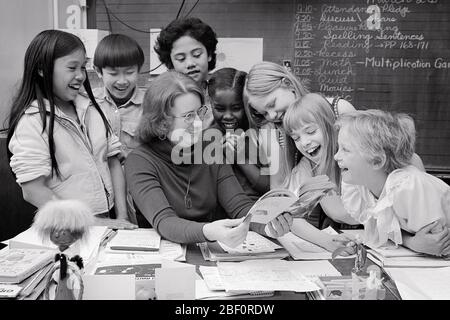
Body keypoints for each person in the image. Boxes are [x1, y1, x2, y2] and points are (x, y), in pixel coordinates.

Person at [125, 71, 292, 246]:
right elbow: (165, 222)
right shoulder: (140, 161)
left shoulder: (209, 148)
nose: (198, 122)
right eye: (189, 116)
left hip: (207, 253)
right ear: (160, 121)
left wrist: (267, 223)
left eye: (200, 112)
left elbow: (239, 206)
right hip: (163, 257)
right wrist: (209, 231)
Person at [7, 30, 135, 229]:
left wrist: (122, 217)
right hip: (68, 229)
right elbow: (32, 190)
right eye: (72, 68)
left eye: (83, 67)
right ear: (42, 69)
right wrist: (96, 223)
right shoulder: (32, 122)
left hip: (109, 220)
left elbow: (113, 161)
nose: (80, 76)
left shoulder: (92, 108)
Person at [334, 109, 450, 256]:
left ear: (377, 161)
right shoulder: (362, 186)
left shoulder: (407, 187)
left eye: (346, 149)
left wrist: (416, 244)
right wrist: (412, 243)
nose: (336, 156)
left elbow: (438, 243)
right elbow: (390, 233)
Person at [243, 61, 356, 190]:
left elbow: (364, 163)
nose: (272, 115)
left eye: (272, 104)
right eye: (264, 113)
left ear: (288, 84)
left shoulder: (338, 110)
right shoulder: (271, 132)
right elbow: (279, 189)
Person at [282, 93, 358, 254]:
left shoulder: (361, 156)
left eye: (310, 131)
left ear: (332, 126)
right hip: (346, 241)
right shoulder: (307, 167)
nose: (304, 142)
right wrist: (327, 242)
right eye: (296, 138)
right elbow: (292, 217)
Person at [207, 67, 269, 201]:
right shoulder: (208, 137)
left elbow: (270, 186)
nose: (228, 116)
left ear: (247, 104)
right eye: (220, 109)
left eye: (236, 108)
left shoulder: (262, 133)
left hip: (257, 208)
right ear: (210, 103)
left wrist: (241, 159)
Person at [154, 17, 217, 127]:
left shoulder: (221, 96)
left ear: (209, 54)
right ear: (171, 63)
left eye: (197, 54)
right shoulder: (162, 101)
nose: (190, 63)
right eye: (181, 58)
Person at [93, 33, 145, 159]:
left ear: (139, 69)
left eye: (129, 72)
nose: (122, 81)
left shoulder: (150, 104)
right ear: (98, 71)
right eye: (113, 73)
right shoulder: (88, 103)